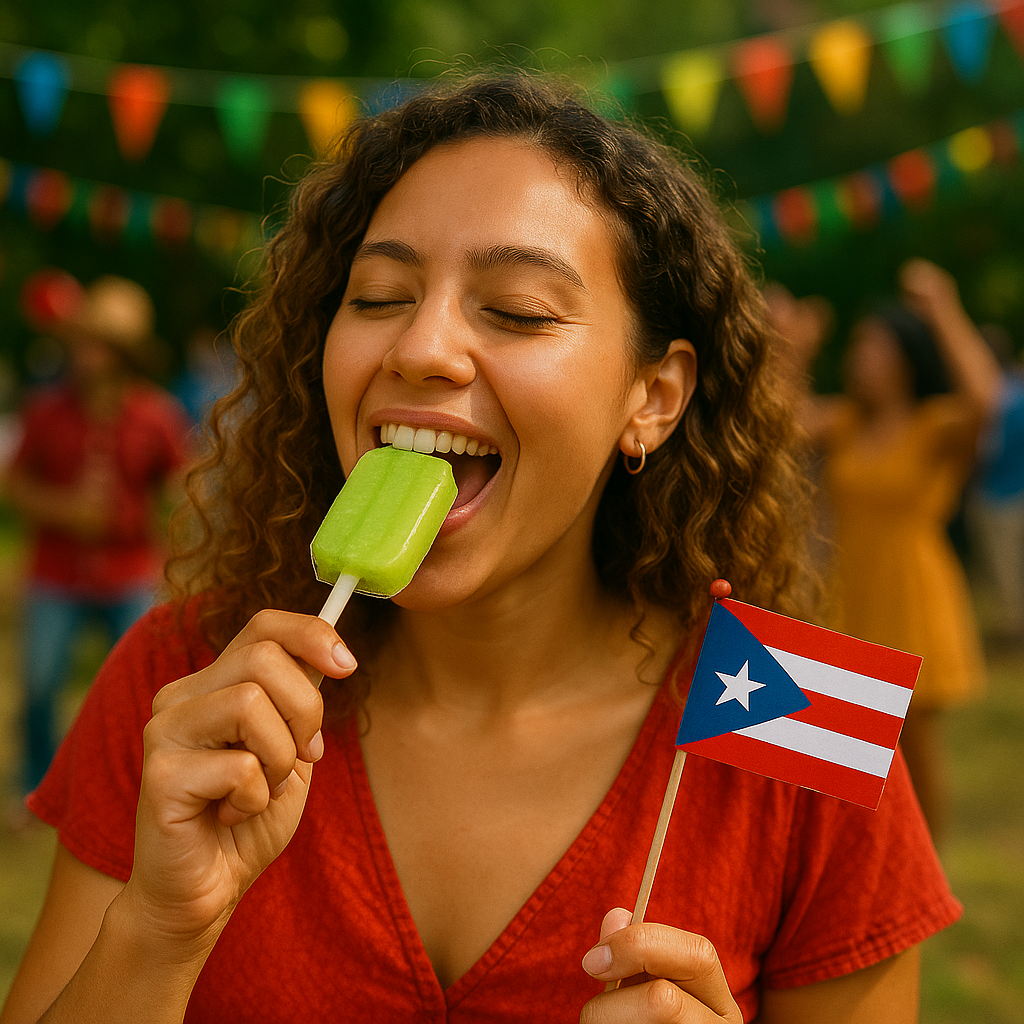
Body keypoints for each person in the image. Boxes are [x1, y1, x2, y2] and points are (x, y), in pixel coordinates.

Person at [1, 75, 960, 1024]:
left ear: (654, 398)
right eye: (377, 296)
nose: (421, 347)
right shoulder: (190, 684)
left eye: (519, 310)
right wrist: (158, 930)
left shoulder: (806, 718)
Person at [774, 260, 1001, 843]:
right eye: (858, 345)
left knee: (917, 748)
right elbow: (773, 426)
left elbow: (984, 397)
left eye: (873, 345)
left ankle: (927, 871)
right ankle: (874, 861)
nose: (859, 356)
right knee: (852, 754)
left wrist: (943, 309)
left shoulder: (934, 426)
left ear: (905, 357)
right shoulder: (846, 423)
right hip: (854, 595)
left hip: (913, 597)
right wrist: (791, 350)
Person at [2, 275, 192, 818]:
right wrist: (65, 510)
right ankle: (34, 790)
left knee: (140, 693)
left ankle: (126, 797)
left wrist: (159, 513)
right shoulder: (45, 410)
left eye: (99, 344)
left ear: (124, 354)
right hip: (55, 572)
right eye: (81, 341)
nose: (85, 354)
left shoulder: (156, 416)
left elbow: (177, 492)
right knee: (39, 685)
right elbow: (14, 485)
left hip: (130, 572)